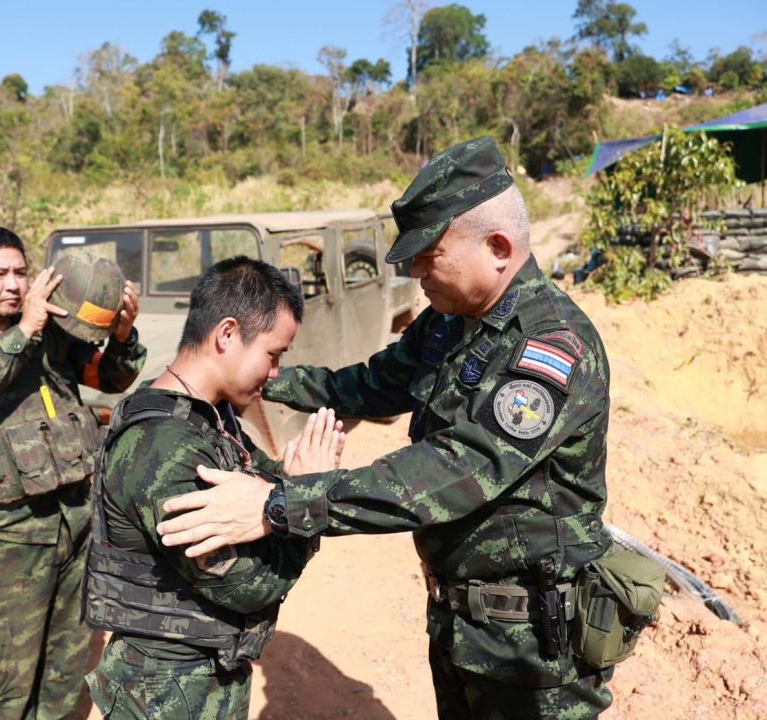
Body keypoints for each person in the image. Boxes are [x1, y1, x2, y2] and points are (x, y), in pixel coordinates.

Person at [156, 137, 616, 719]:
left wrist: (280, 504)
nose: (414, 271)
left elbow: (453, 470)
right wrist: (257, 374)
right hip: (461, 625)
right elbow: (369, 386)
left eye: (429, 254)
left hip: (534, 650)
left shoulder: (550, 347)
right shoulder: (448, 324)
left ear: (498, 247)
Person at [83, 257, 344, 720]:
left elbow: (258, 474)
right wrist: (304, 501)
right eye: (273, 355)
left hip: (200, 673)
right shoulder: (163, 447)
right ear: (226, 334)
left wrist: (292, 482)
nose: (275, 373)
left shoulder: (204, 415)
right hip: (167, 689)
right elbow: (248, 585)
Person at [0, 226, 145, 718]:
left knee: (66, 667)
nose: (14, 285)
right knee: (8, 678)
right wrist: (23, 333)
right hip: (3, 539)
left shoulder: (51, 334)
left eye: (20, 272)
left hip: (74, 524)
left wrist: (122, 336)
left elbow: (109, 378)